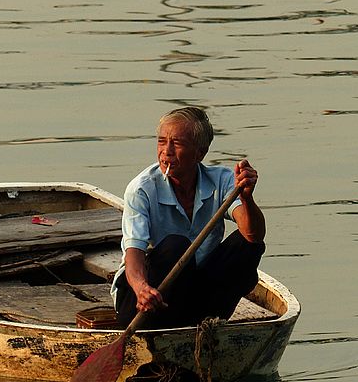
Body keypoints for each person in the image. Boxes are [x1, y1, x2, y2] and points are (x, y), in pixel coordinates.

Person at [110, 107, 266, 329]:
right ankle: (166, 324)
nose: (167, 152)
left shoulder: (221, 181)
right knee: (177, 245)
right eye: (162, 142)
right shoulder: (142, 189)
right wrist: (141, 288)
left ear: (200, 153)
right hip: (146, 303)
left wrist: (247, 198)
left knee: (246, 245)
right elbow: (133, 250)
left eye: (178, 144)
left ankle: (207, 322)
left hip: (195, 296)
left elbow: (253, 234)